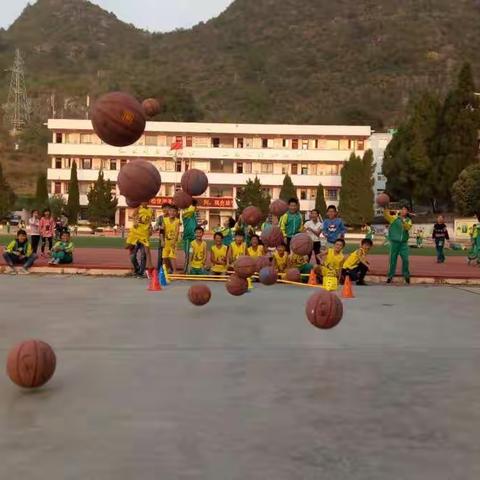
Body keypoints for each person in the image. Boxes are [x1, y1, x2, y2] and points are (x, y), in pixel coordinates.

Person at [384, 205, 412, 284]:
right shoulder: (394, 218)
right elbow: (386, 216)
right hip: (394, 243)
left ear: (407, 212)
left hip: (403, 244)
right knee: (392, 260)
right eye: (402, 209)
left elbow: (407, 228)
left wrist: (402, 221)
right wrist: (385, 208)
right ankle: (390, 276)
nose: (403, 211)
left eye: (405, 209)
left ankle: (406, 275)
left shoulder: (408, 220)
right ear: (400, 210)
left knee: (406, 260)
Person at [125, 203, 155, 277]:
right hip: (135, 233)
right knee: (132, 254)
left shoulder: (151, 210)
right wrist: (135, 221)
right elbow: (133, 216)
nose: (145, 202)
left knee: (145, 253)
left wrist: (151, 228)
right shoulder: (138, 208)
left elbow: (149, 221)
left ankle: (144, 270)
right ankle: (136, 268)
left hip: (144, 234)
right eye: (143, 200)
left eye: (147, 200)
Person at [182, 200, 199, 273]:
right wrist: (193, 203)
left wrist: (202, 224)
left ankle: (191, 269)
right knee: (187, 254)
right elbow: (191, 210)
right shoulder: (185, 214)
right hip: (187, 238)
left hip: (194, 238)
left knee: (193, 253)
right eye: (194, 206)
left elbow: (195, 226)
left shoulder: (194, 216)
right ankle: (185, 270)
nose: (195, 208)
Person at [163, 205, 180, 274]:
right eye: (171, 211)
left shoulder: (177, 221)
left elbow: (177, 231)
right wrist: (162, 240)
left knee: (172, 256)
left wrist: (174, 241)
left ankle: (175, 271)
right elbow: (162, 231)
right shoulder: (165, 220)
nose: (172, 212)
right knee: (165, 256)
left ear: (176, 213)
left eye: (174, 211)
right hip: (166, 241)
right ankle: (167, 269)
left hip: (173, 242)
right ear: (168, 212)